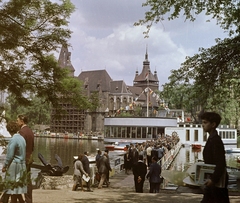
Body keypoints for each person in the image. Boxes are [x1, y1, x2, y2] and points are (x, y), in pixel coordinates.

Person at [200, 112, 229, 203]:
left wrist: (213, 180)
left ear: (213, 124)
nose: (202, 125)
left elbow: (221, 163)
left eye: (205, 122)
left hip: (216, 181)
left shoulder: (215, 140)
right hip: (213, 179)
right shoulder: (212, 138)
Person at [2, 121, 27, 203]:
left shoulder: (13, 140)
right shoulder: (22, 138)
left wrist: (5, 166)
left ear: (9, 130)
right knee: (17, 189)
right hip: (22, 165)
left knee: (12, 189)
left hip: (15, 166)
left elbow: (10, 156)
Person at [17, 115, 34, 203]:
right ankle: (28, 199)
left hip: (22, 159)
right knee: (27, 180)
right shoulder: (30, 131)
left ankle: (18, 199)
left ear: (22, 121)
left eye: (18, 120)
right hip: (29, 158)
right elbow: (32, 147)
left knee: (16, 179)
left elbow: (20, 146)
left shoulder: (22, 132)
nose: (17, 122)